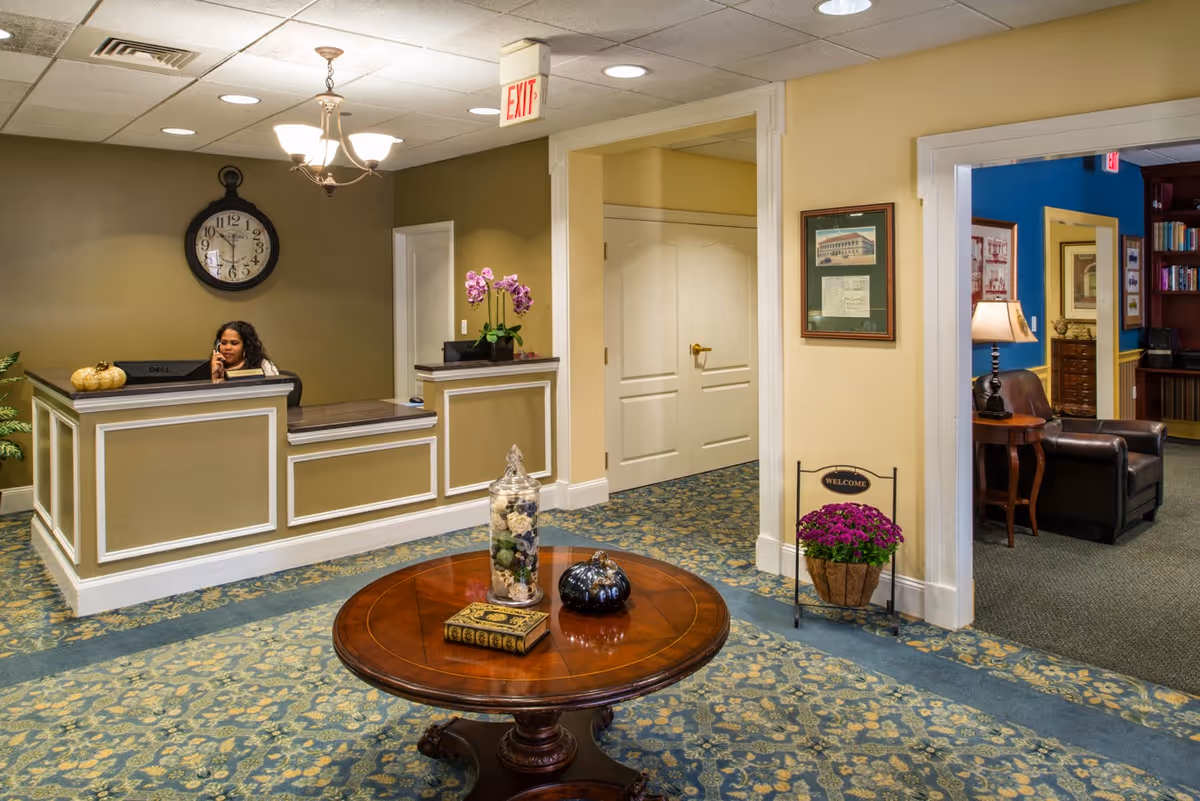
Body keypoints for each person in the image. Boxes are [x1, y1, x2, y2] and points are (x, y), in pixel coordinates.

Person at [210, 320, 279, 382]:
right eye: (224, 343)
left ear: (246, 346)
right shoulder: (211, 368)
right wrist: (215, 377)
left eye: (234, 343)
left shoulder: (263, 366)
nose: (228, 348)